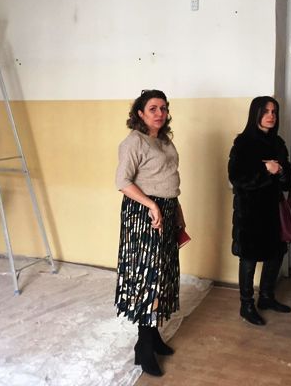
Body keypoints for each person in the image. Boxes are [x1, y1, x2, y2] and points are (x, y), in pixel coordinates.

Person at [115, 89, 186, 377]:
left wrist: (176, 211)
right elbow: (122, 182)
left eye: (163, 108)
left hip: (166, 210)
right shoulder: (133, 142)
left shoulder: (164, 140)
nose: (160, 113)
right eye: (153, 108)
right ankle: (144, 347)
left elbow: (168, 179)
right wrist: (152, 205)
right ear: (140, 113)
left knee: (163, 274)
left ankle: (153, 336)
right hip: (144, 215)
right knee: (149, 278)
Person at [228, 96, 291, 326]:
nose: (270, 116)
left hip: (274, 210)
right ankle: (246, 305)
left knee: (276, 254)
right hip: (250, 212)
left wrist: (280, 171)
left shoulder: (278, 143)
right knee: (249, 258)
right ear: (255, 113)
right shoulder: (243, 143)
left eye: (274, 112)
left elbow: (287, 180)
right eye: (265, 111)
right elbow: (236, 177)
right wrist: (265, 169)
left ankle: (267, 297)